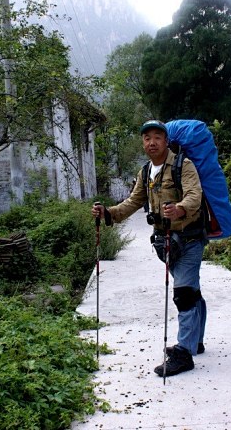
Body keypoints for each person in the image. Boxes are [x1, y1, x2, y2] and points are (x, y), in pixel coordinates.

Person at [92, 119, 208, 377]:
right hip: (166, 242)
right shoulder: (146, 172)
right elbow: (133, 201)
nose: (152, 142)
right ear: (143, 143)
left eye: (157, 137)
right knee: (191, 290)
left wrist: (180, 208)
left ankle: (184, 354)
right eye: (147, 138)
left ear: (166, 141)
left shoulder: (183, 165)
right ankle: (196, 340)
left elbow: (194, 195)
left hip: (188, 238)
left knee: (184, 293)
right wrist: (108, 214)